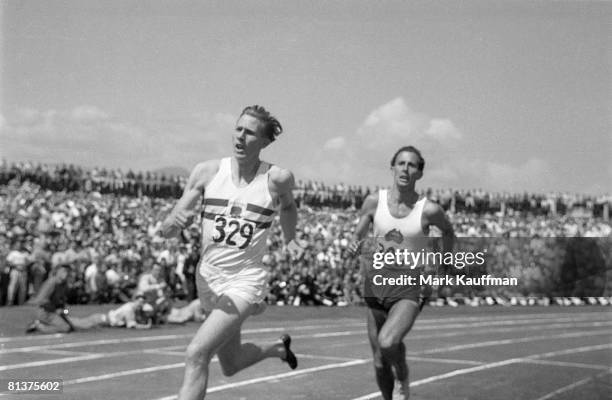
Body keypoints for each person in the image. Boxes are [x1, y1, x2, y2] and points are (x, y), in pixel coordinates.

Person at [160, 105, 302, 400]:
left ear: (264, 142)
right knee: (231, 364)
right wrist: (174, 223)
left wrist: (290, 238)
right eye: (238, 129)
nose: (240, 137)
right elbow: (168, 229)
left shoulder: (276, 179)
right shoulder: (206, 172)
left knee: (196, 353)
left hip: (245, 281)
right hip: (209, 280)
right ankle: (277, 349)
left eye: (249, 133)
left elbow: (288, 207)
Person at [349, 146, 454, 400]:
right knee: (378, 361)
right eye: (401, 163)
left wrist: (444, 262)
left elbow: (448, 233)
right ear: (392, 168)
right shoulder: (375, 201)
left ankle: (403, 373)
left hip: (410, 284)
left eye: (412, 165)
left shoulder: (429, 210)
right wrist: (356, 242)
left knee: (387, 343)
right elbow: (360, 229)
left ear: (419, 173)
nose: (406, 169)